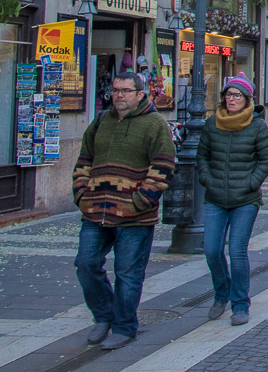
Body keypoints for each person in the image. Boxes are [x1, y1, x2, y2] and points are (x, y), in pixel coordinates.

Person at [73, 72, 176, 350]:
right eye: (116, 90)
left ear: (140, 94)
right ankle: (105, 316)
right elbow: (84, 159)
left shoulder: (155, 124)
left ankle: (124, 326)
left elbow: (164, 167)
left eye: (126, 91)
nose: (119, 95)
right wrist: (81, 194)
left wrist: (140, 201)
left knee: (128, 273)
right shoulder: (100, 122)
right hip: (95, 211)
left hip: (134, 215)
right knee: (86, 264)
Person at [197, 73, 268, 326]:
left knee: (237, 252)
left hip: (245, 199)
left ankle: (240, 304)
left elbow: (266, 159)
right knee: (211, 250)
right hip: (215, 197)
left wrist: (251, 183)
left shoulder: (257, 126)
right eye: (228, 95)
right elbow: (202, 157)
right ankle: (222, 293)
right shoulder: (212, 124)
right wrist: (208, 179)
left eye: (236, 95)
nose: (231, 99)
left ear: (247, 99)